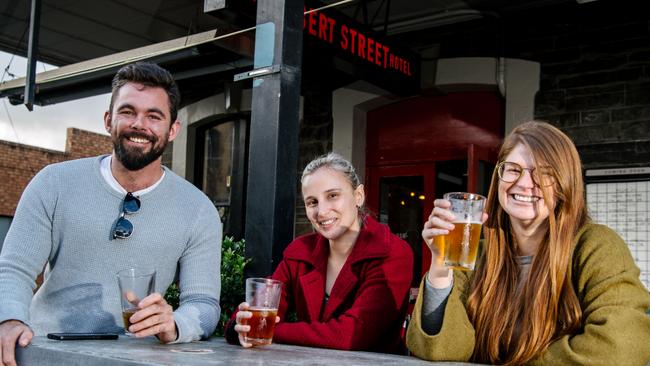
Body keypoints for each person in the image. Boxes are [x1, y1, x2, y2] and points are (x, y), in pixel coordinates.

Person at [0, 62, 222, 366]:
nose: (139, 124)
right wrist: (9, 319)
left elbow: (203, 303)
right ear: (108, 120)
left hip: (136, 360)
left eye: (154, 116)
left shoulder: (199, 210)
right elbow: (14, 269)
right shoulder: (54, 182)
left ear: (172, 130)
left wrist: (174, 325)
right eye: (127, 111)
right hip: (46, 352)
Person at [406, 121, 650, 365]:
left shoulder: (596, 245)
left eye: (543, 173)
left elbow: (622, 348)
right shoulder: (477, 254)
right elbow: (444, 351)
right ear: (498, 177)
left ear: (565, 184)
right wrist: (440, 264)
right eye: (513, 169)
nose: (524, 183)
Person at [226, 152, 414, 352]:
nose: (322, 212)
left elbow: (350, 335)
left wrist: (268, 331)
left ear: (358, 196)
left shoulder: (392, 252)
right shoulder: (301, 253)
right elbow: (258, 309)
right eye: (312, 202)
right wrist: (240, 326)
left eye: (333, 196)